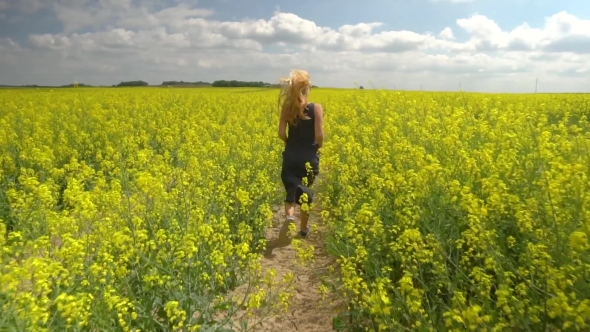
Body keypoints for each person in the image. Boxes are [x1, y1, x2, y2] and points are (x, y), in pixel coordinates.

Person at [277, 69, 324, 238]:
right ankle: (303, 230)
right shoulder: (316, 108)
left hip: (290, 156)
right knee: (304, 191)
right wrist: (318, 146)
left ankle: (290, 216)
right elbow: (319, 135)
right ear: (307, 89)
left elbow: (281, 133)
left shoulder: (287, 108)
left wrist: (290, 144)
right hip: (308, 157)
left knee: (291, 190)